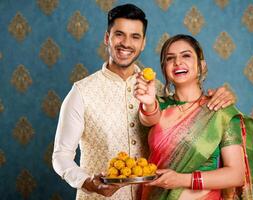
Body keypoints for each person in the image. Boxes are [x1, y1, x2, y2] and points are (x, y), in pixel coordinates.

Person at [52, 4, 236, 200]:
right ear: (107, 38)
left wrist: (222, 96)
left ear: (143, 43)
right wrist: (88, 182)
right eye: (119, 34)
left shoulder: (158, 90)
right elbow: (61, 156)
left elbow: (193, 109)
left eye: (135, 36)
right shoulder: (82, 92)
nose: (126, 43)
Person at [134, 34, 253, 200]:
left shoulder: (220, 111)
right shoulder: (158, 106)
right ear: (164, 69)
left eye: (186, 55)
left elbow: (236, 174)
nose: (177, 62)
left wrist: (181, 180)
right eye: (170, 58)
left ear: (202, 66)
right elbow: (149, 117)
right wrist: (147, 102)